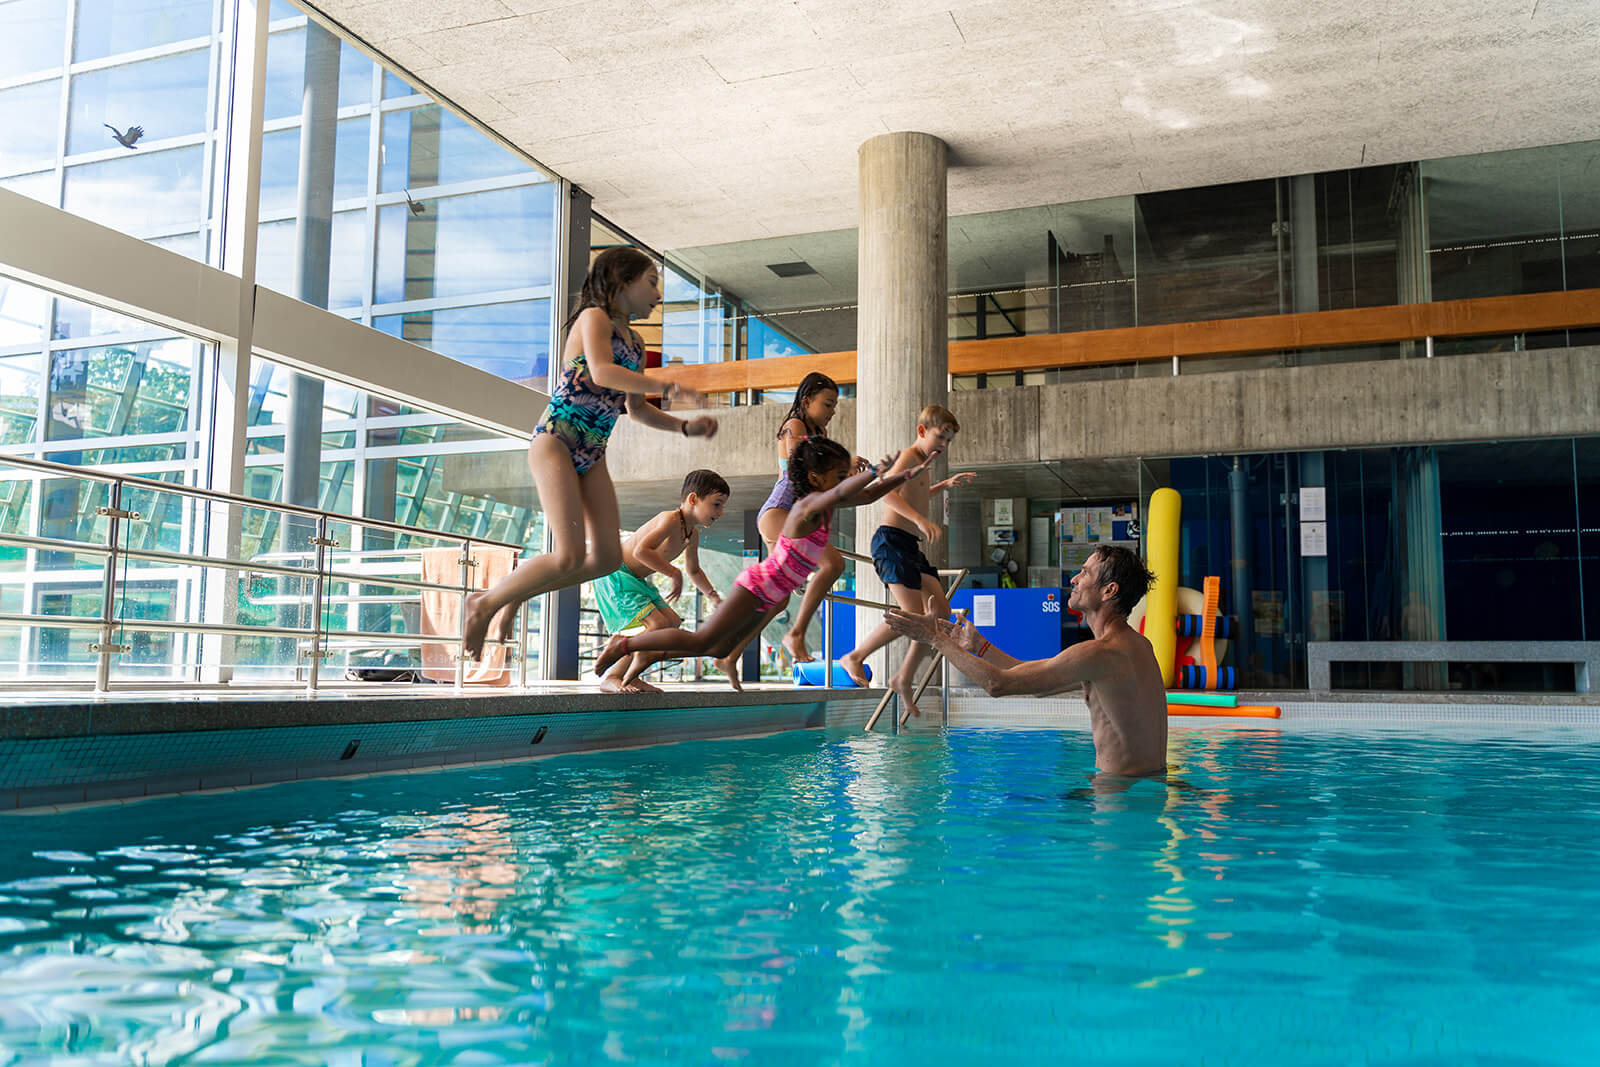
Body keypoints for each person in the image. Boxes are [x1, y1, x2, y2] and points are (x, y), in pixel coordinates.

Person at [461, 247, 717, 659]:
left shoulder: (635, 343)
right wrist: (669, 385)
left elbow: (635, 409)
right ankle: (484, 603)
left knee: (606, 559)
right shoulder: (593, 318)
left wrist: (684, 426)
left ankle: (515, 597)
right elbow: (600, 371)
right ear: (621, 282)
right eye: (651, 282)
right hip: (556, 440)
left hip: (593, 453)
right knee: (568, 554)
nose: (659, 294)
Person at [593, 438, 939, 690]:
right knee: (701, 641)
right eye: (837, 474)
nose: (842, 481)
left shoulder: (825, 503)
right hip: (756, 586)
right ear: (818, 479)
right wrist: (874, 470)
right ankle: (624, 645)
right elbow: (846, 492)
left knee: (719, 648)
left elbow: (866, 495)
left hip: (773, 593)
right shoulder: (805, 508)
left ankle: (645, 656)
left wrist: (904, 475)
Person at [883, 545, 1169, 779]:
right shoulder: (1137, 647)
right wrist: (979, 647)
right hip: (1147, 784)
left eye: (1084, 573)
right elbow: (1036, 683)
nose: (1074, 579)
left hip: (1120, 796)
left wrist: (935, 639)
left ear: (1109, 591)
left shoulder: (1098, 653)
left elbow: (997, 685)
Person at [839, 404, 975, 717]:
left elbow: (916, 495)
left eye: (949, 441)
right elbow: (885, 493)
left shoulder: (924, 465)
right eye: (941, 437)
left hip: (909, 546)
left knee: (938, 614)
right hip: (890, 542)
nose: (943, 445)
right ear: (922, 431)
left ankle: (903, 677)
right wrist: (922, 521)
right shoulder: (908, 457)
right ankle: (855, 656)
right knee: (914, 613)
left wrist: (943, 485)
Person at [592, 469, 732, 694]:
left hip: (637, 579)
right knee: (657, 625)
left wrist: (713, 597)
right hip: (617, 574)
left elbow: (694, 570)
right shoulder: (670, 519)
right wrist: (672, 573)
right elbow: (641, 551)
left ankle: (631, 677)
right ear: (693, 499)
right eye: (716, 504)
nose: (721, 512)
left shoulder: (692, 534)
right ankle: (613, 676)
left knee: (671, 622)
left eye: (723, 506)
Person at [751, 371, 849, 667]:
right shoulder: (795, 425)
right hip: (781, 510)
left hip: (791, 514)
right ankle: (795, 634)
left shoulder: (821, 434)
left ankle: (730, 649)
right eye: (827, 404)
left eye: (834, 406)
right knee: (832, 564)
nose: (831, 412)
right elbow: (802, 469)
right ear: (806, 401)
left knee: (778, 597)